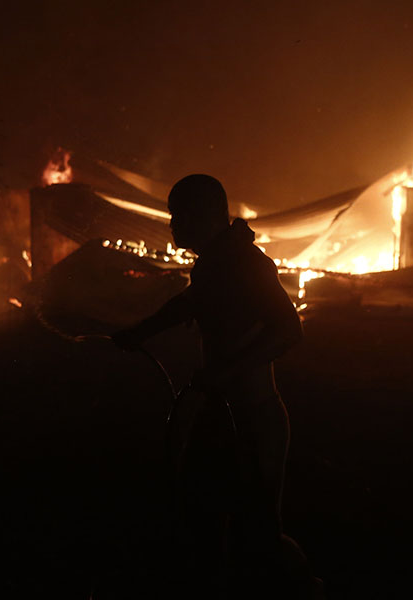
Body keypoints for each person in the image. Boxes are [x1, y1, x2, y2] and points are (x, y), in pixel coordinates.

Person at [113, 174, 321, 598]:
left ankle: (302, 588)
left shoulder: (247, 264)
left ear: (203, 216)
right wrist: (140, 332)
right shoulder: (214, 264)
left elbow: (288, 330)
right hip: (220, 418)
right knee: (199, 518)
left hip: (254, 421)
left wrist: (225, 374)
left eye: (178, 215)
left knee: (258, 537)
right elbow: (191, 303)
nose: (172, 225)